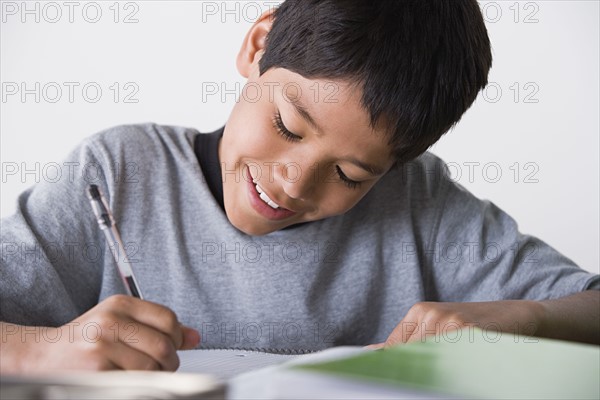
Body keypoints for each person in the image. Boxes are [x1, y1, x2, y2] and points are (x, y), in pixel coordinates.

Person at [1, 0, 598, 374]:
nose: (291, 182)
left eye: (350, 175)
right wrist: (36, 350)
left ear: (396, 167)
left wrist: (525, 319)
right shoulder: (116, 173)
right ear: (257, 46)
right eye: (286, 124)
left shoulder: (421, 204)